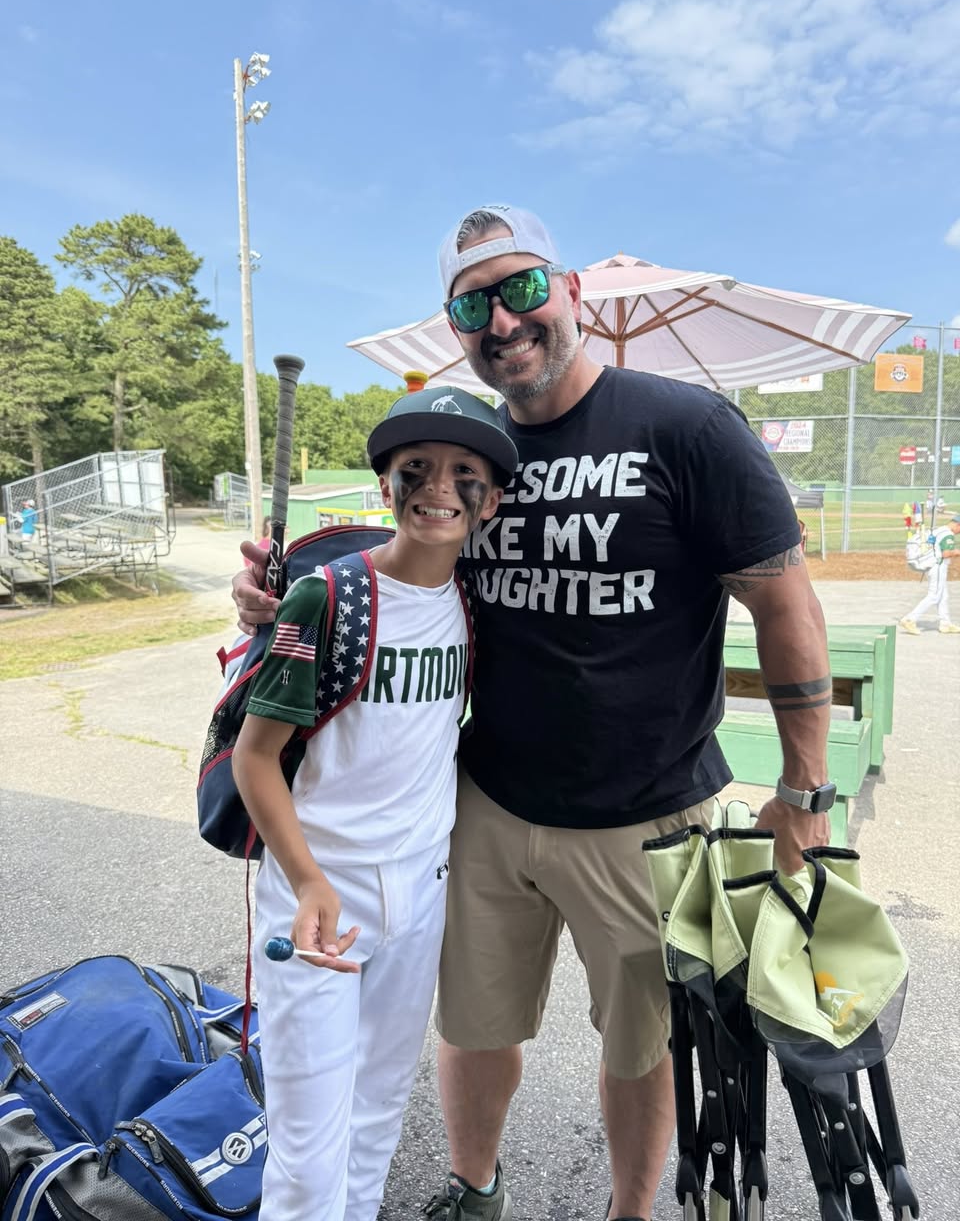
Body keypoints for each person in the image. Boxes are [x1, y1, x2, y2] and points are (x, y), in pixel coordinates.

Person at [232, 205, 833, 1221]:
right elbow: (395, 565)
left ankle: (629, 1210)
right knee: (472, 1024)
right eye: (473, 303)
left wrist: (804, 787)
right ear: (455, 325)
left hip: (646, 814)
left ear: (572, 294)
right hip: (490, 804)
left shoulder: (687, 427)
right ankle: (475, 1185)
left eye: (520, 290)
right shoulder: (470, 454)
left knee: (640, 1043)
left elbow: (786, 601)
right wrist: (276, 587)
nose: (502, 321)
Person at [231, 386, 516, 1221]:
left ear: (490, 500)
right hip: (320, 891)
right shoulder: (326, 597)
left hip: (420, 892)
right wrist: (309, 882)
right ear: (385, 484)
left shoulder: (470, 602)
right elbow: (256, 762)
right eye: (414, 468)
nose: (438, 486)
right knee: (309, 1147)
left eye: (465, 472)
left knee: (378, 1116)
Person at [899, 509, 960, 634]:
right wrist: (957, 552)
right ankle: (910, 619)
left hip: (932, 565)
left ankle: (945, 623)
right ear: (958, 525)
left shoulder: (939, 530)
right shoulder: (948, 534)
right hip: (937, 566)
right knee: (935, 595)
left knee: (943, 595)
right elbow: (946, 553)